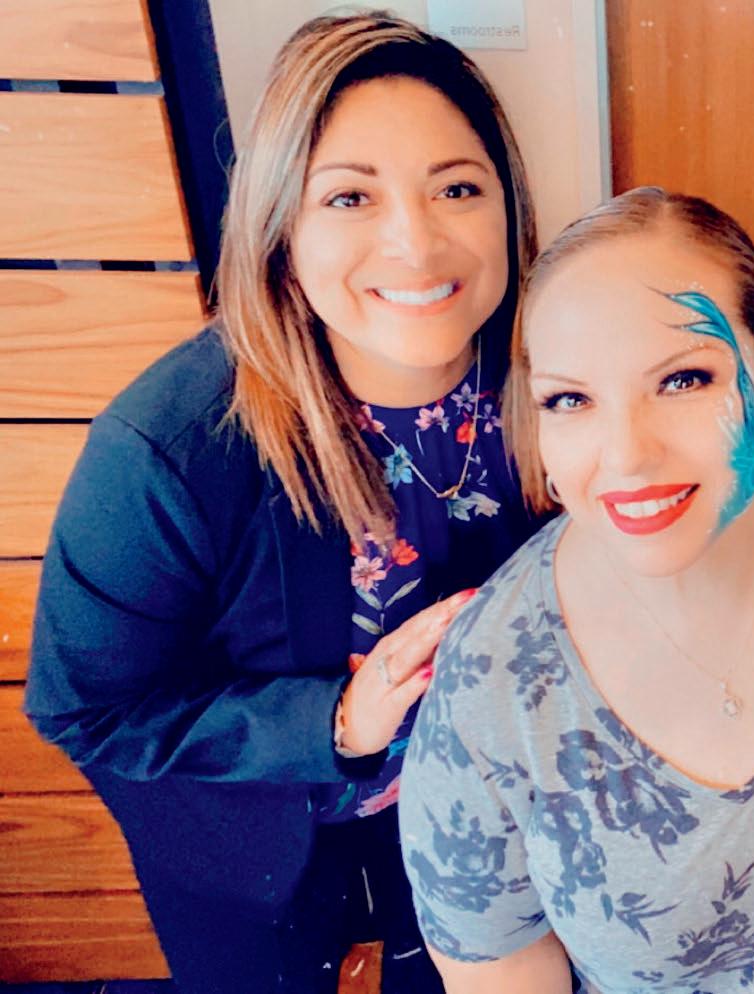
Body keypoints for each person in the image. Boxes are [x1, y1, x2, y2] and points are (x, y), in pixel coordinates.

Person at [24, 14, 540, 993]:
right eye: (350, 196)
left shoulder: (559, 375)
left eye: (457, 188)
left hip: (480, 822)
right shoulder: (170, 445)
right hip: (254, 843)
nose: (415, 241)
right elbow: (85, 709)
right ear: (281, 230)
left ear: (508, 209)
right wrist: (336, 721)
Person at [396, 187, 754, 992]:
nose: (626, 454)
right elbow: (500, 968)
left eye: (682, 380)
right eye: (570, 399)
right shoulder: (490, 683)